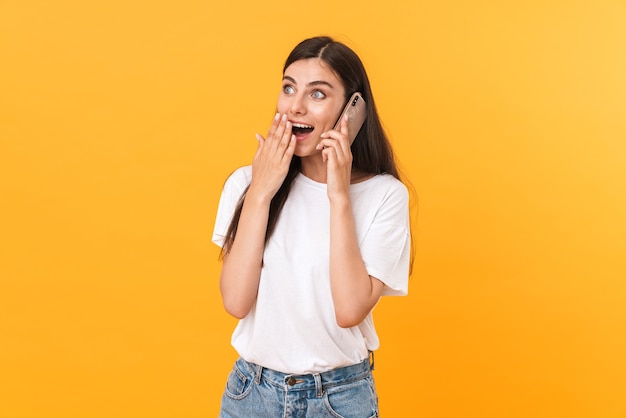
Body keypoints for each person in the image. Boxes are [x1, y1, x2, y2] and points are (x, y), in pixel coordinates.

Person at [212, 36, 412, 418]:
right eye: (289, 88)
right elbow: (235, 302)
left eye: (317, 94)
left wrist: (338, 195)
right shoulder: (245, 184)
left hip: (337, 400)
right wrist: (260, 193)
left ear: (353, 110)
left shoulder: (385, 195)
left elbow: (349, 309)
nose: (295, 106)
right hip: (251, 395)